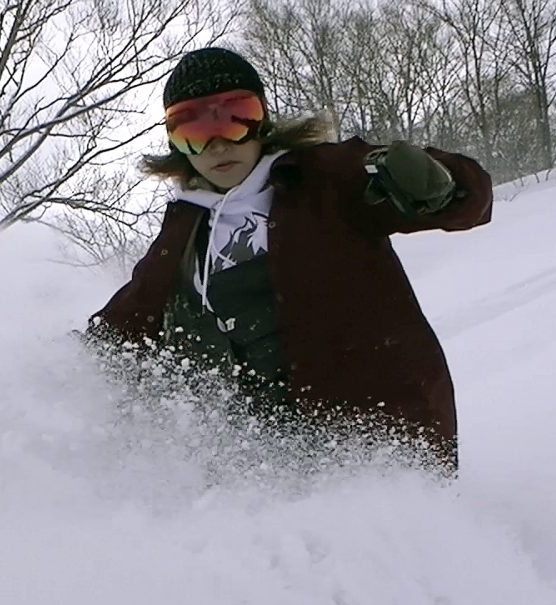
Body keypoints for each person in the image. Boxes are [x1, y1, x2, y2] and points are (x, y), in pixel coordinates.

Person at [86, 47, 494, 475]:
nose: (218, 143)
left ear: (261, 119)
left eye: (234, 117)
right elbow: (128, 321)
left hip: (375, 440)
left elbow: (469, 201)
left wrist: (441, 187)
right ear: (175, 143)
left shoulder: (325, 179)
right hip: (268, 461)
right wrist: (51, 378)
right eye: (193, 129)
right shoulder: (185, 228)